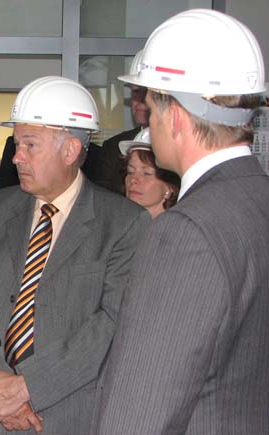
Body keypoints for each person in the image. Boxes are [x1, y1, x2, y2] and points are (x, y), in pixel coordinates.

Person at [92, 9, 269, 434]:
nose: (147, 122)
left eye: (150, 109)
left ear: (174, 117)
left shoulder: (185, 232)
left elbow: (141, 412)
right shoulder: (257, 197)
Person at [0, 76, 149, 434]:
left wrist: (28, 386)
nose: (16, 156)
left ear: (70, 151)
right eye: (16, 143)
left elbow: (112, 323)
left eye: (30, 144)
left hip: (65, 413)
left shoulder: (123, 223)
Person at [94, 50, 149, 195]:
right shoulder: (113, 148)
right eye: (136, 92)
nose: (140, 100)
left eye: (147, 93)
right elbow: (102, 200)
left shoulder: (182, 148)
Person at [119, 127, 180, 218]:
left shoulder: (179, 225)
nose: (133, 180)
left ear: (170, 187)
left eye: (147, 173)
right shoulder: (116, 221)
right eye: (130, 171)